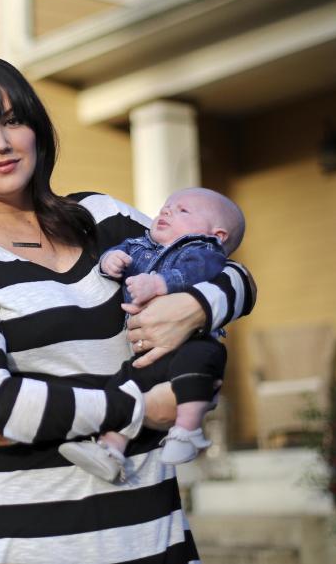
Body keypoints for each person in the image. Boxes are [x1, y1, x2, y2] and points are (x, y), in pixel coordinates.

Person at [0, 56, 256, 564]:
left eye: (12, 120)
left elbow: (221, 264)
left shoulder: (103, 218)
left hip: (153, 528)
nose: (0, 142)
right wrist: (141, 409)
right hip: (28, 539)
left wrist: (193, 308)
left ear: (36, 130)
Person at [58, 187, 246, 482]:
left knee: (198, 365)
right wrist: (110, 262)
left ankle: (187, 430)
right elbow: (116, 253)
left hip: (191, 342)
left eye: (182, 211)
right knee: (124, 383)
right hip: (145, 353)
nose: (167, 211)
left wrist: (159, 283)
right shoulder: (139, 243)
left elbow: (199, 272)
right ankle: (111, 449)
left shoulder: (203, 250)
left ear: (218, 235)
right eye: (166, 207)